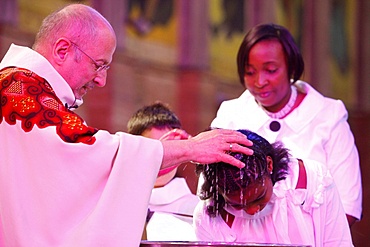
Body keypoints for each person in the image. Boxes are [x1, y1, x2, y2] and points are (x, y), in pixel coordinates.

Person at [0, 4, 254, 246]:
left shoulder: (28, 89)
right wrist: (190, 149)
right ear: (62, 50)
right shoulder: (18, 89)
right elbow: (92, 153)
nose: (101, 80)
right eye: (99, 65)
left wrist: (155, 156)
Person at [210, 23, 362, 226]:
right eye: (250, 72)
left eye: (271, 70)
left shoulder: (329, 116)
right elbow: (210, 197)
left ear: (291, 67)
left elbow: (347, 207)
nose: (259, 81)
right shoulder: (230, 115)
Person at [194, 129, 353, 246]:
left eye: (258, 197)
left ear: (269, 164)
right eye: (237, 205)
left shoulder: (315, 181)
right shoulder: (210, 215)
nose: (251, 211)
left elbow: (338, 242)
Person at [127, 101, 199, 241]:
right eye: (153, 149)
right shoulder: (119, 202)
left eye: (168, 150)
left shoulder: (198, 211)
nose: (162, 159)